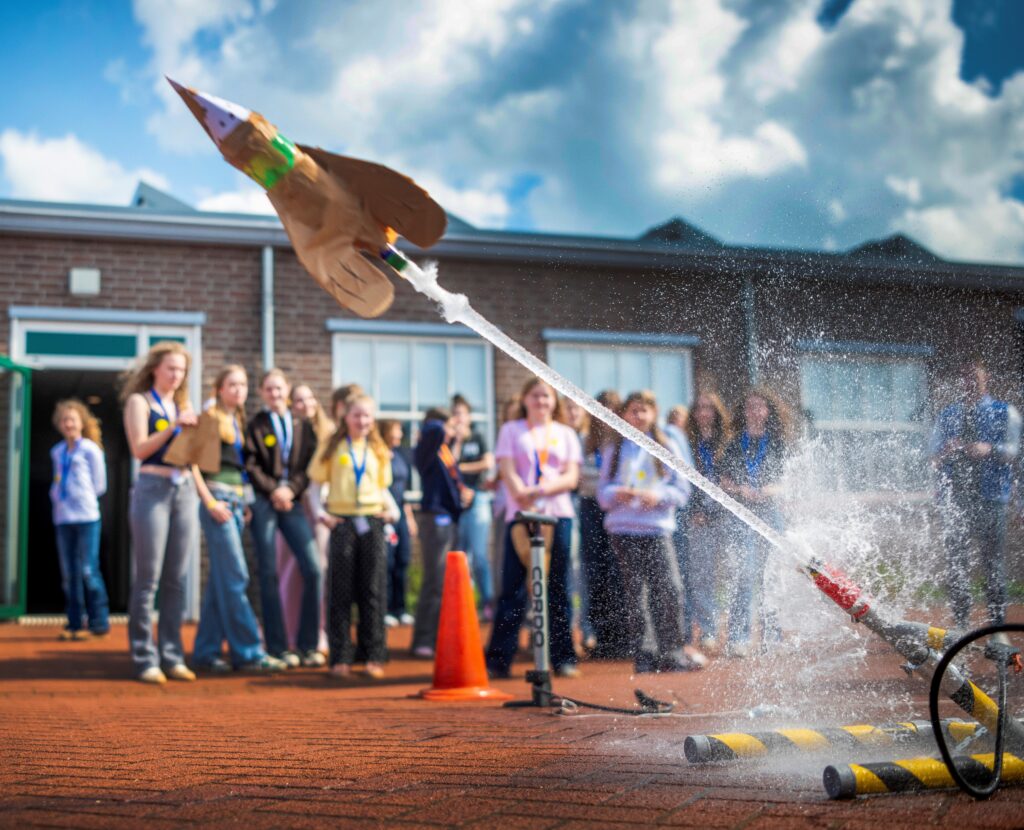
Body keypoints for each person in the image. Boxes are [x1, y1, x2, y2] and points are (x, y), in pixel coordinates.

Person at [190, 366, 285, 673]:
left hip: (236, 502)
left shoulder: (239, 421)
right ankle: (249, 653)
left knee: (220, 582)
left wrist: (244, 501)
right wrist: (209, 501)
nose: (238, 390)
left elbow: (239, 468)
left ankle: (206, 651)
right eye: (232, 384)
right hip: (217, 500)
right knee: (236, 576)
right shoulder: (210, 418)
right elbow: (192, 463)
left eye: (243, 384)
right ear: (219, 389)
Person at [486, 377, 581, 679]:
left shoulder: (566, 433)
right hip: (521, 515)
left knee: (557, 587)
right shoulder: (511, 430)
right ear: (525, 399)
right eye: (535, 395)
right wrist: (522, 494)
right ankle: (499, 659)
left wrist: (541, 490)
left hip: (557, 515)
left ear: (554, 401)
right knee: (513, 588)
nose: (541, 401)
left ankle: (563, 657)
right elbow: (507, 470)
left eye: (546, 396)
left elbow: (571, 477)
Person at [598, 390, 697, 673]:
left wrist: (658, 496)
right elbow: (602, 494)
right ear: (624, 414)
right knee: (636, 593)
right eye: (633, 410)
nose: (639, 416)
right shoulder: (615, 448)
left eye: (644, 410)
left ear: (654, 414)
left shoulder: (666, 445)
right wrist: (618, 493)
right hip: (624, 529)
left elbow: (682, 489)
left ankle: (672, 650)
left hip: (657, 529)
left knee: (670, 587)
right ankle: (645, 653)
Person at [122, 341, 200, 684]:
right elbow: (139, 449)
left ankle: (172, 655)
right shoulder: (140, 402)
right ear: (155, 368)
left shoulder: (183, 405)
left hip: (184, 490)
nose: (176, 375)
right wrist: (172, 427)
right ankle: (144, 658)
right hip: (152, 489)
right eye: (171, 368)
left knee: (175, 579)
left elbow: (193, 457)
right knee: (148, 578)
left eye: (181, 370)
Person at [931, 359, 1021, 629]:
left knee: (993, 564)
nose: (970, 383)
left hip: (991, 499)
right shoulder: (948, 415)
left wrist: (989, 449)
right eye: (966, 378)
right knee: (956, 565)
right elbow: (933, 457)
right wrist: (947, 449)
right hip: (957, 500)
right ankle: (961, 625)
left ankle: (997, 627)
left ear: (986, 378)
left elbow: (1015, 453)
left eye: (975, 378)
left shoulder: (1005, 412)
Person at [309, 393, 392, 679]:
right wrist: (322, 514)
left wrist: (392, 512)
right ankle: (340, 657)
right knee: (340, 591)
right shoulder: (332, 446)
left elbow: (383, 488)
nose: (362, 421)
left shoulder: (378, 449)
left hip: (372, 521)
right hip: (342, 522)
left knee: (373, 590)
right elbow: (314, 487)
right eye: (357, 415)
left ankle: (373, 656)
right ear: (346, 417)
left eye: (367, 415)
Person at [245, 369, 324, 668]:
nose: (275, 394)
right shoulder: (256, 424)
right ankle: (278, 647)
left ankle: (307, 645)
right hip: (265, 503)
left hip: (292, 502)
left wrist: (290, 490)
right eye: (269, 389)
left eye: (279, 388)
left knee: (313, 568)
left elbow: (308, 467)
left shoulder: (303, 425)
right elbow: (251, 465)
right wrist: (274, 491)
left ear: (287, 390)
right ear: (262, 393)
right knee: (268, 573)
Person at [720, 386, 792, 657]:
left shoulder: (778, 443)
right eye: (750, 406)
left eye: (760, 406)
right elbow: (723, 480)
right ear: (743, 411)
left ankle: (772, 637)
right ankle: (738, 638)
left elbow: (788, 480)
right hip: (742, 514)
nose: (755, 411)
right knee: (745, 574)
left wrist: (767, 491)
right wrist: (741, 490)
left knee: (770, 576)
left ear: (769, 411)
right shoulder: (734, 444)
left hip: (770, 514)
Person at [411, 407, 472, 658]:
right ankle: (423, 639)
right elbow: (433, 430)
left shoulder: (445, 451)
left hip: (450, 519)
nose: (452, 430)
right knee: (434, 580)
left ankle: (440, 637)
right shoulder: (428, 446)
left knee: (447, 581)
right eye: (449, 425)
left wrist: (465, 494)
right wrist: (448, 422)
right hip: (434, 519)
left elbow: (453, 481)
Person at [277, 383, 333, 654]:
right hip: (293, 507)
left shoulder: (329, 432)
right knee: (289, 571)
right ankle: (288, 632)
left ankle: (317, 630)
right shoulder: (287, 432)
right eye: (299, 400)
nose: (306, 404)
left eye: (309, 398)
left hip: (320, 509)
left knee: (318, 568)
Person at [49, 399, 109, 641]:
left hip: (86, 516)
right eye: (64, 420)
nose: (68, 424)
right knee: (69, 573)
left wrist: (83, 498)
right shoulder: (57, 452)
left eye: (72, 420)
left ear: (81, 423)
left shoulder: (90, 449)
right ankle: (74, 622)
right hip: (63, 517)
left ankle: (98, 622)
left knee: (88, 570)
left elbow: (100, 484)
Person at [579, 390, 630, 659]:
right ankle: (602, 636)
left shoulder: (623, 443)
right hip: (590, 510)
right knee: (596, 571)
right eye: (601, 407)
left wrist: (605, 485)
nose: (606, 413)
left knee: (618, 571)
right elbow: (580, 478)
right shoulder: (585, 442)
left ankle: (623, 636)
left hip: (617, 511)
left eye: (612, 408)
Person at [685, 391, 733, 653]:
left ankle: (733, 630)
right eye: (700, 407)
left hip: (725, 516)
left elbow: (732, 476)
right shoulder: (687, 442)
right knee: (702, 576)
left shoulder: (728, 441)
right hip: (698, 517)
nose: (704, 413)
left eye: (709, 408)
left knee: (730, 574)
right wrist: (695, 510)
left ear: (717, 412)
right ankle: (708, 630)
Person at [452, 394, 495, 620]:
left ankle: (487, 602)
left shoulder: (478, 436)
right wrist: (457, 442)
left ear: (468, 416)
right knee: (461, 556)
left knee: (479, 555)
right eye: (455, 414)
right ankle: (464, 603)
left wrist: (462, 468)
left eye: (461, 413)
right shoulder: (451, 441)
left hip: (478, 498)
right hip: (457, 502)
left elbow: (488, 462)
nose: (458, 418)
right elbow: (449, 465)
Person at [663, 404, 695, 646]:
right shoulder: (671, 435)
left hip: (678, 514)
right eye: (673, 417)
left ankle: (680, 638)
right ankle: (680, 638)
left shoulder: (675, 437)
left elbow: (686, 481)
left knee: (678, 579)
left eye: (681, 417)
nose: (677, 422)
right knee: (678, 578)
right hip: (673, 517)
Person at [379, 419, 417, 628]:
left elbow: (406, 491)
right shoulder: (378, 455)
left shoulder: (402, 454)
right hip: (386, 516)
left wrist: (409, 518)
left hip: (401, 514)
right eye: (396, 430)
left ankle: (400, 608)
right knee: (388, 562)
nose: (400, 434)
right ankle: (385, 609)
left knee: (403, 560)